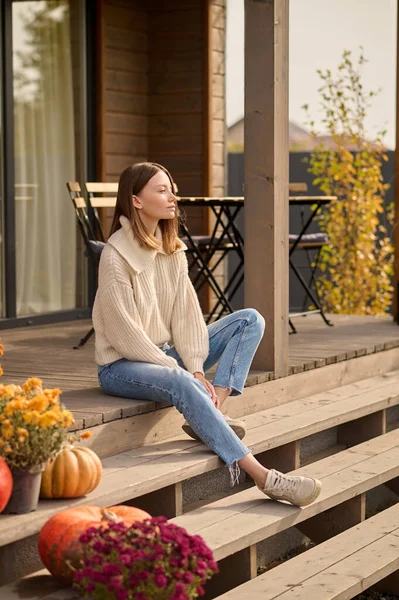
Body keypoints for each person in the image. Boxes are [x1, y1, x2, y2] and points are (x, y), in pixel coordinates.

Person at [92, 162, 322, 507]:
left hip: (164, 356)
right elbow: (127, 337)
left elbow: (186, 319)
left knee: (250, 320)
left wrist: (197, 368)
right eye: (162, 190)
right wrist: (184, 374)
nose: (173, 197)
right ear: (136, 200)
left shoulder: (172, 251)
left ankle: (214, 409)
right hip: (121, 366)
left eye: (172, 188)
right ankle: (263, 476)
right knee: (181, 380)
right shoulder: (115, 258)